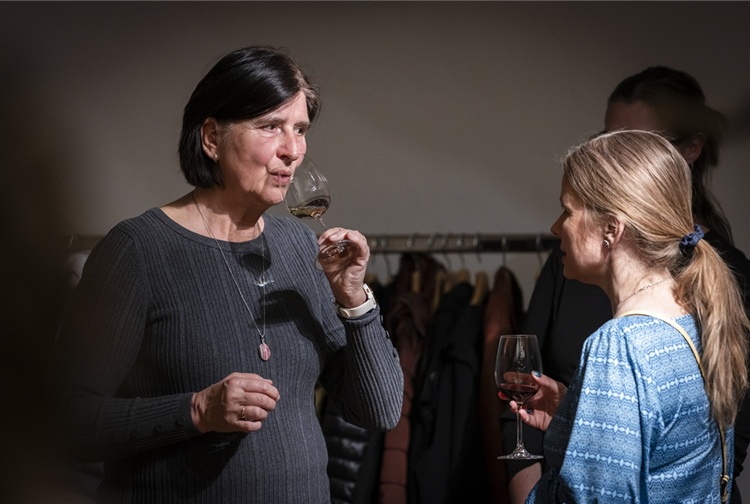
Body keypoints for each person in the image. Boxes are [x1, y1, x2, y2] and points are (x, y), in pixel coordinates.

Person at [54, 46, 403, 503]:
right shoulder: (138, 251)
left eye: (300, 129)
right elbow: (64, 423)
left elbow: (380, 410)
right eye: (271, 127)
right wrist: (197, 410)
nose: (293, 150)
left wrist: (355, 300)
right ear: (212, 138)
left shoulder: (300, 248)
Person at [504, 66, 750, 503]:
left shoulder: (619, 347)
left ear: (611, 230)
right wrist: (575, 414)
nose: (556, 227)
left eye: (567, 210)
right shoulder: (692, 319)